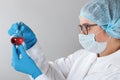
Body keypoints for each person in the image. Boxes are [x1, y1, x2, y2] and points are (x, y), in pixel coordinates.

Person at [8, 0, 120, 80]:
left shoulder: (116, 72)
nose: (81, 33)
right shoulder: (85, 55)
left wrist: (36, 74)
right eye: (80, 27)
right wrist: (32, 47)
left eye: (86, 27)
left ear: (112, 27)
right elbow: (51, 73)